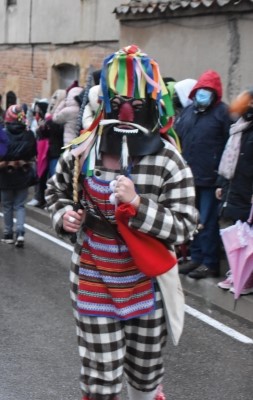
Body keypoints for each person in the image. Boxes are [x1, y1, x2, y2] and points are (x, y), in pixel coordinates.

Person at [46, 45, 198, 400]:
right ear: (106, 100)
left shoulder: (168, 160)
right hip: (94, 276)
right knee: (101, 378)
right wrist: (63, 215)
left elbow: (186, 225)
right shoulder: (82, 151)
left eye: (138, 102)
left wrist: (138, 205)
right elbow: (56, 193)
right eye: (120, 100)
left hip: (147, 281)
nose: (128, 110)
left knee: (145, 375)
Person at [175, 69, 231, 279]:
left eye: (207, 91)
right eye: (200, 90)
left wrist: (221, 180)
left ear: (215, 94)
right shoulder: (189, 112)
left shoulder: (223, 113)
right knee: (193, 220)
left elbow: (230, 146)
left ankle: (210, 263)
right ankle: (196, 257)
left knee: (206, 221)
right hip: (189, 177)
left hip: (210, 177)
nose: (202, 95)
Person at [216, 88, 253, 294]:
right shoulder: (238, 128)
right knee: (238, 232)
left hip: (248, 188)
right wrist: (222, 184)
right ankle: (237, 272)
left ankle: (247, 278)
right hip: (236, 186)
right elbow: (229, 158)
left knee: (249, 235)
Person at [0, 105, 36, 246]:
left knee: (7, 205)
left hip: (5, 173)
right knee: (20, 205)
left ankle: (8, 234)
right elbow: (33, 153)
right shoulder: (29, 134)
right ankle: (20, 233)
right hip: (23, 172)